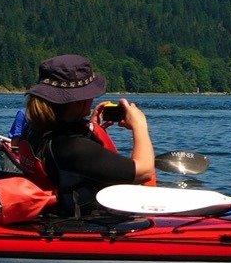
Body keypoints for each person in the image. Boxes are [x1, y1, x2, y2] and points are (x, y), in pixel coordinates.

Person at [18, 54, 155, 215]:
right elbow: (144, 171)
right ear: (79, 100)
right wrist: (140, 125)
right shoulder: (72, 146)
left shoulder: (33, 129)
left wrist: (92, 127)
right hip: (85, 225)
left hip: (54, 217)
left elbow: (70, 163)